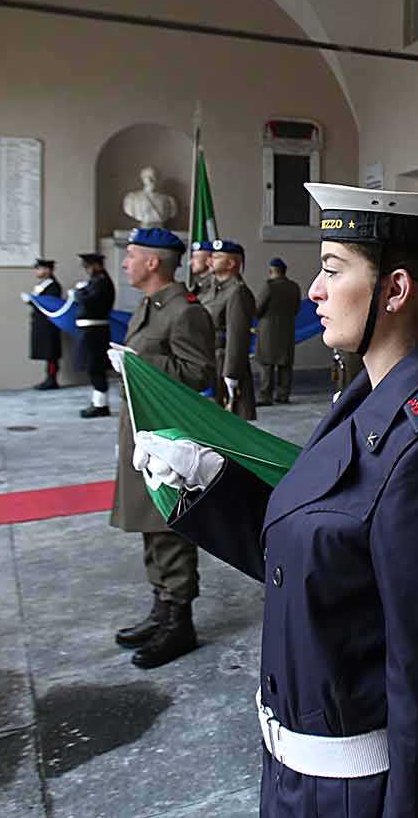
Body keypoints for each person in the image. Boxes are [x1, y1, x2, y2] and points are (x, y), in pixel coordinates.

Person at [130, 183, 418, 818]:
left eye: (333, 266)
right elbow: (325, 563)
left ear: (396, 290)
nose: (312, 288)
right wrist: (209, 492)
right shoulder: (365, 395)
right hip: (303, 795)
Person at [108, 225, 218, 669]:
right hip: (141, 427)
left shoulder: (183, 311)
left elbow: (197, 373)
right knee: (148, 523)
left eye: (131, 255)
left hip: (166, 434)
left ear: (154, 262)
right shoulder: (151, 306)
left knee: (166, 522)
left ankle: (180, 620)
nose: (125, 262)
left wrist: (138, 362)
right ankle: (161, 605)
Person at [208, 239, 258, 420]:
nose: (210, 260)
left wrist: (231, 373)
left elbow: (237, 336)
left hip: (224, 361)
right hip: (212, 358)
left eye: (217, 257)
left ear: (231, 263)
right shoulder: (217, 289)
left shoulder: (237, 292)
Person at [72, 251, 117, 418]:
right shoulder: (96, 281)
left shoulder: (102, 282)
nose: (87, 269)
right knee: (93, 367)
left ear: (97, 265)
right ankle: (98, 401)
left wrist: (78, 293)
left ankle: (101, 405)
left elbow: (90, 301)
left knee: (95, 367)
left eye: (88, 266)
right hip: (90, 330)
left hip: (95, 331)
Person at [256, 256, 306, 405]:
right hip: (287, 329)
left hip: (268, 331)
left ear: (271, 271)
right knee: (285, 364)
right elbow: (297, 309)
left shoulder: (269, 286)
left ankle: (266, 396)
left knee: (266, 364)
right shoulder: (294, 287)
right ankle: (283, 395)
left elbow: (258, 308)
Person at [21, 258, 64, 389]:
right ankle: (48, 378)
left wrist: (33, 300)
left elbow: (50, 304)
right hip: (42, 323)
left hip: (48, 324)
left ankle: (52, 379)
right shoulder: (43, 284)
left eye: (39, 268)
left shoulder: (52, 286)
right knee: (47, 353)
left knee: (50, 353)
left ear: (47, 270)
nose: (37, 271)